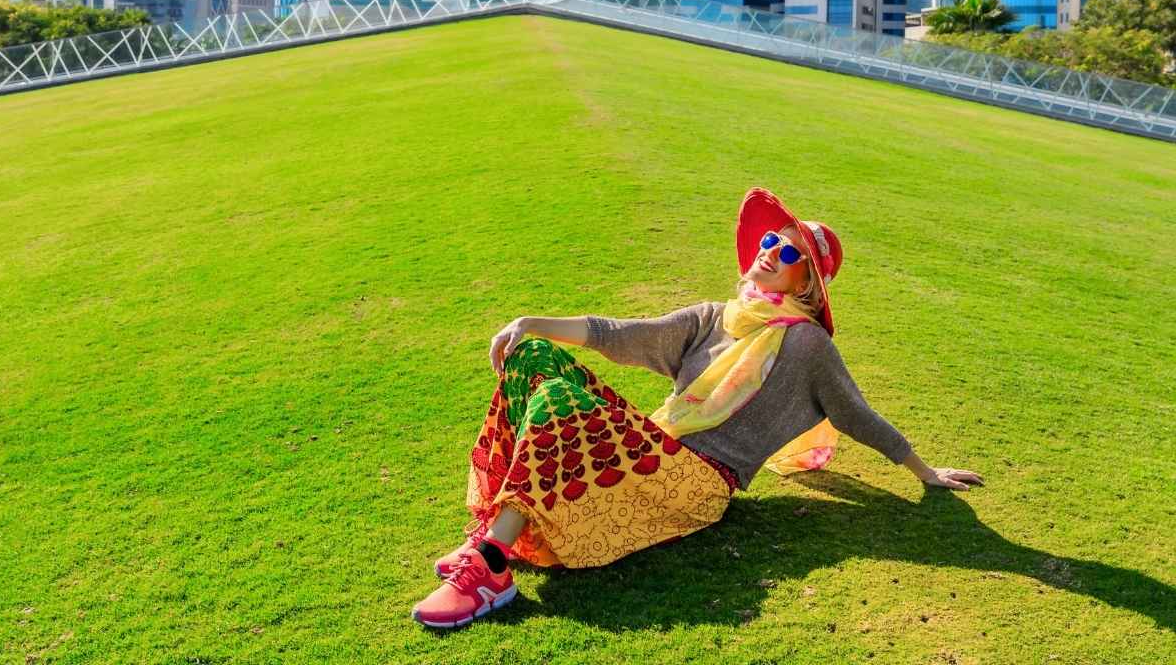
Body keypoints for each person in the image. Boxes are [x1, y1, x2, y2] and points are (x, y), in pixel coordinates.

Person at [411, 187, 983, 629]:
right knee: (534, 354)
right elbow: (624, 333)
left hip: (699, 483)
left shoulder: (808, 346)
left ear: (808, 283)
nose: (768, 254)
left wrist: (924, 471)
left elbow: (856, 415)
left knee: (561, 401)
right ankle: (495, 532)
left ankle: (489, 564)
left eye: (786, 252)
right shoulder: (715, 317)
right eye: (768, 243)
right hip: (653, 448)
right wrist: (531, 321)